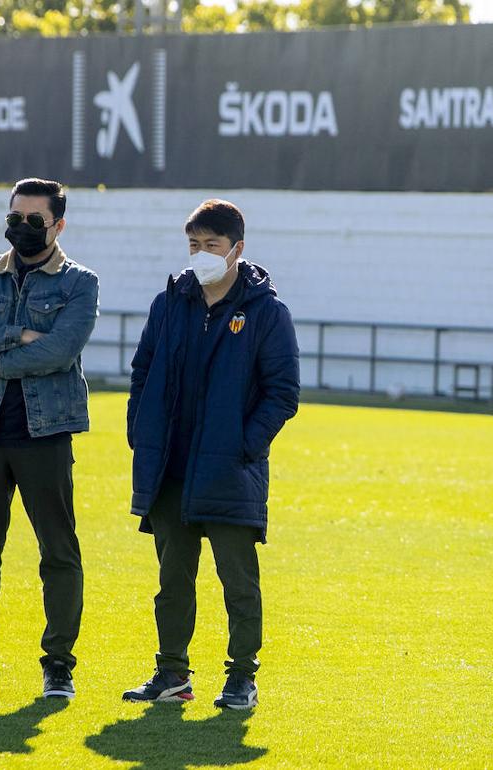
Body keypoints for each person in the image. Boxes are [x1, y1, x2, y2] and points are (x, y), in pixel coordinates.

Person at [122, 199, 299, 710]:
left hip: (229, 468)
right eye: (194, 245)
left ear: (237, 250)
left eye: (211, 246)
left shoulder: (267, 312)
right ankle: (172, 674)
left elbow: (282, 392)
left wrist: (246, 445)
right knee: (172, 580)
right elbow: (143, 370)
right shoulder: (169, 302)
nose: (200, 254)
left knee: (238, 583)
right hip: (170, 467)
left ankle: (241, 677)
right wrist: (141, 431)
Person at [0, 177, 99, 700]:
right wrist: (16, 335)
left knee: (58, 552)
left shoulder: (80, 283)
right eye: (15, 218)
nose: (22, 229)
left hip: (44, 435)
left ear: (58, 225)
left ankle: (58, 666)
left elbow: (59, 351)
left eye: (35, 221)